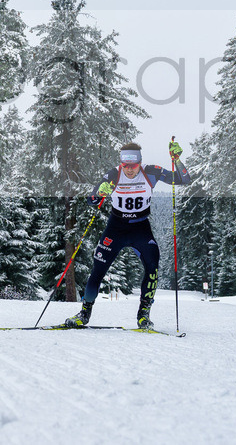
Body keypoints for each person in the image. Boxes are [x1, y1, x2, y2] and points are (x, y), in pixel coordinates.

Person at [64, 140, 192, 329]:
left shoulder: (151, 172)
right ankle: (84, 313)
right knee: (98, 269)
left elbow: (183, 180)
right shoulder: (113, 174)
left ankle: (143, 315)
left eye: (133, 166)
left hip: (140, 228)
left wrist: (177, 160)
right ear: (121, 162)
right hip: (116, 228)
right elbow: (91, 200)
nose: (129, 170)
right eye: (126, 165)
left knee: (153, 264)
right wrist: (100, 193)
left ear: (140, 162)